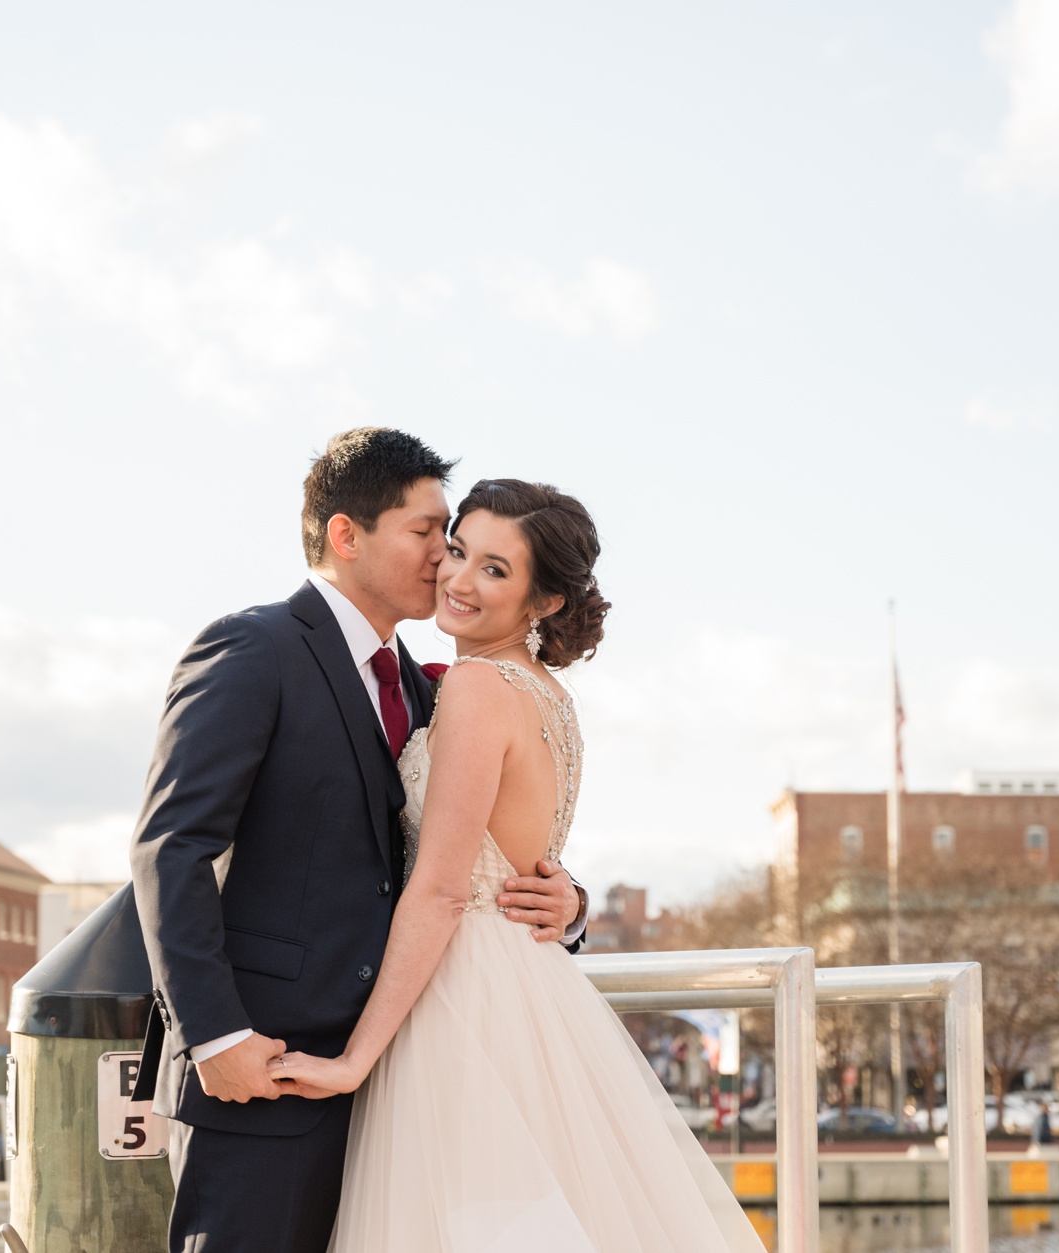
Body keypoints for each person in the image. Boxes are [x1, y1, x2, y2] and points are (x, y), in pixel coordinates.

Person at [273, 479, 763, 1251]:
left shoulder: (473, 687)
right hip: (530, 993)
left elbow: (439, 890)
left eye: (496, 570)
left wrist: (353, 1060)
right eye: (459, 551)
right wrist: (569, 898)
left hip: (461, 996)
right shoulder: (549, 697)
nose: (460, 579)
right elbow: (530, 859)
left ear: (544, 603)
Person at [129, 430, 588, 1253]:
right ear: (347, 534)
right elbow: (171, 847)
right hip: (267, 1066)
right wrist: (216, 1035)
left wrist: (567, 900)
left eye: (463, 545)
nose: (444, 561)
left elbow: (455, 852)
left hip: (403, 1072)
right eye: (430, 535)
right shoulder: (252, 648)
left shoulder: (429, 686)